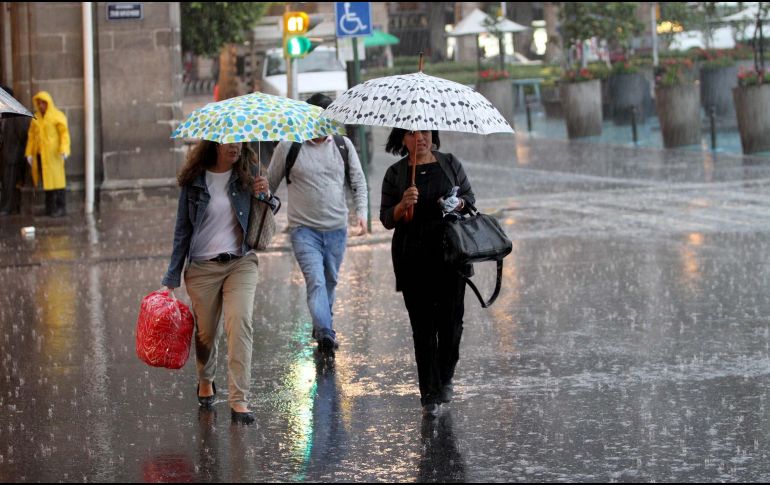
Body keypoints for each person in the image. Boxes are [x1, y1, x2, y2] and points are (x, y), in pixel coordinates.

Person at [161, 140, 274, 425]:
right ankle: (205, 378)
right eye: (228, 143)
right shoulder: (195, 180)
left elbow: (268, 213)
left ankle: (239, 400)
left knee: (240, 322)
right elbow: (181, 230)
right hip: (202, 268)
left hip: (241, 262)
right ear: (214, 144)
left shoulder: (249, 171)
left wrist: (266, 195)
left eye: (239, 141)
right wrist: (171, 278)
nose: (235, 147)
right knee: (206, 334)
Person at [379, 128, 475, 420]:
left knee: (451, 325)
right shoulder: (396, 174)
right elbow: (385, 218)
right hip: (413, 258)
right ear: (402, 140)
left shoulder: (450, 163)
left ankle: (445, 377)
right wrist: (402, 206)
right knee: (423, 328)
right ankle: (429, 394)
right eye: (411, 133)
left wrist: (457, 203)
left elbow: (469, 199)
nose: (420, 137)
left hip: (450, 255)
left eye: (425, 132)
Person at [267, 93, 368, 355]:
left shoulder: (343, 145)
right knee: (316, 281)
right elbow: (270, 184)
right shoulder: (289, 146)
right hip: (304, 230)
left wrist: (362, 214)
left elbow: (358, 180)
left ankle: (322, 324)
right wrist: (259, 201)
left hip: (337, 228)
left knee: (331, 281)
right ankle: (325, 331)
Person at [25, 91, 70, 217]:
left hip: (54, 154)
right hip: (42, 155)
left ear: (48, 103)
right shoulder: (36, 118)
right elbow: (32, 136)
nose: (41, 106)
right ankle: (50, 208)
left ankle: (61, 207)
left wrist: (64, 149)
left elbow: (64, 134)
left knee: (58, 182)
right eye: (39, 103)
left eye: (43, 103)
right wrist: (29, 152)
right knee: (47, 182)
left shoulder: (57, 116)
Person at [0, 86, 30, 215]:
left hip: (13, 155)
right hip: (5, 154)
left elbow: (23, 134)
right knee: (5, 182)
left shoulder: (16, 114)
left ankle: (8, 208)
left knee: (9, 183)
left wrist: (20, 153)